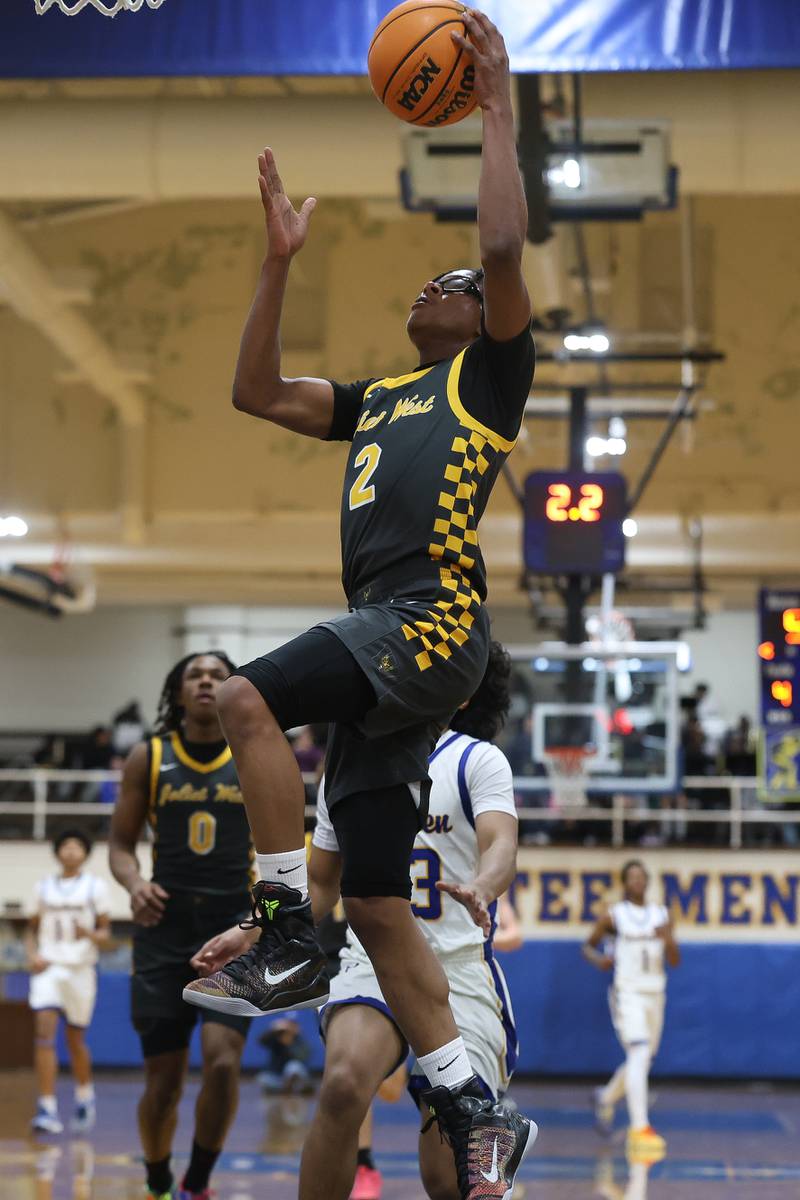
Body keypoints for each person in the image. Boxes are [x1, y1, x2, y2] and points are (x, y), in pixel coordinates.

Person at [184, 11, 536, 1195]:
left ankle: (284, 930)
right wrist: (278, 260)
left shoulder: (486, 378)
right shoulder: (379, 399)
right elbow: (250, 392)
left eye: (453, 284)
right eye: (426, 281)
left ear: (479, 318)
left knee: (236, 695)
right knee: (381, 907)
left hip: (427, 621)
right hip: (389, 647)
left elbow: (494, 249)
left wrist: (494, 108)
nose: (431, 287)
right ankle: (471, 1105)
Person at [194, 642, 531, 1200]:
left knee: (446, 1177)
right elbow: (321, 883)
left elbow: (502, 844)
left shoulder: (477, 758)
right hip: (372, 962)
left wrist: (483, 885)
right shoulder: (346, 765)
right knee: (343, 1085)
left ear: (457, 687)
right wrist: (254, 929)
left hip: (457, 971)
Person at [109, 652, 253, 1200]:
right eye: (195, 674)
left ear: (233, 688)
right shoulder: (149, 757)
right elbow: (120, 847)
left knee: (222, 1065)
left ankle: (198, 1181)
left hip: (231, 929)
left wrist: (258, 923)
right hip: (163, 929)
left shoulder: (253, 755)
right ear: (179, 690)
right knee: (164, 1083)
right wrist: (133, 885)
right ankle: (157, 1180)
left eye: (218, 674)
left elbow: (283, 855)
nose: (207, 682)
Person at [583, 860, 680, 1155]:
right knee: (638, 1052)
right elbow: (588, 946)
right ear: (625, 882)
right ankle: (640, 1128)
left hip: (656, 992)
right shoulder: (614, 915)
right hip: (628, 992)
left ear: (647, 881)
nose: (637, 881)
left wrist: (668, 938)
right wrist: (599, 960)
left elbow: (675, 960)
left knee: (644, 1059)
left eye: (641, 877)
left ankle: (605, 1096)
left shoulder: (662, 915)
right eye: (632, 877)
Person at [26, 827, 111, 1135]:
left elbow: (105, 934)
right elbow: (30, 929)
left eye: (77, 846)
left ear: (85, 853)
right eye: (66, 845)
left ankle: (85, 1094)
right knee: (45, 1032)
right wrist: (32, 954)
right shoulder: (43, 887)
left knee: (75, 1040)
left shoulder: (95, 887)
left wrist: (88, 934)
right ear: (58, 851)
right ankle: (46, 1106)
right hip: (49, 967)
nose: (72, 850)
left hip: (80, 969)